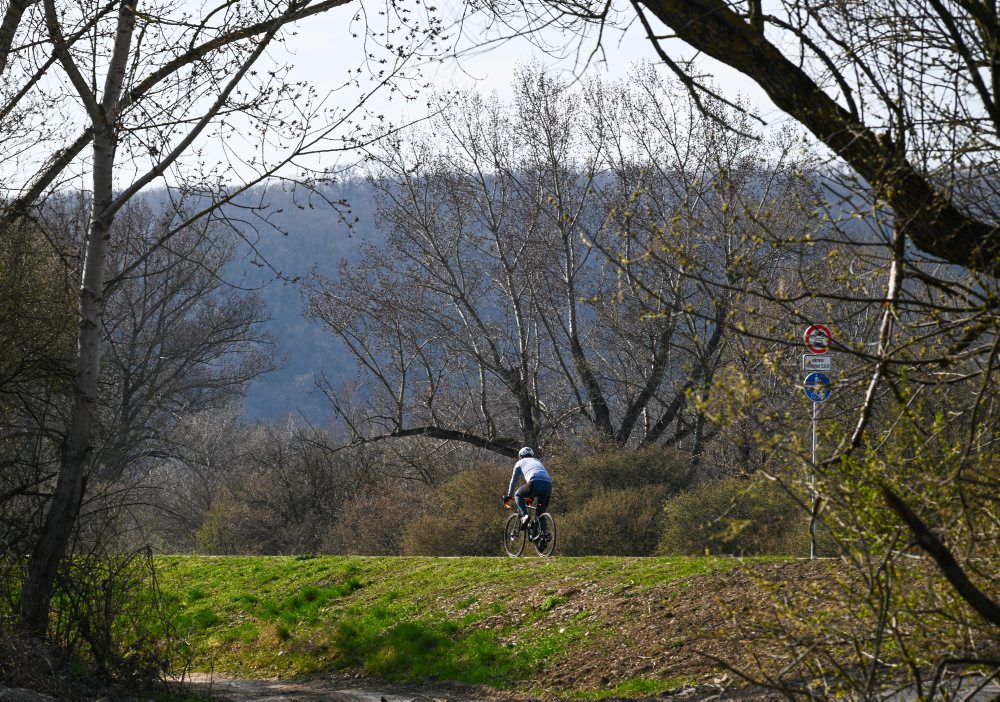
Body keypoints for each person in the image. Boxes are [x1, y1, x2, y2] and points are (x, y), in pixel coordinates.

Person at [505, 447, 552, 540]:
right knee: (541, 513)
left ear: (520, 456)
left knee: (517, 494)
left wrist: (509, 495)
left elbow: (514, 480)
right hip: (548, 485)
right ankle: (543, 535)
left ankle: (524, 516)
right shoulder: (538, 461)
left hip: (535, 482)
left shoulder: (520, 462)